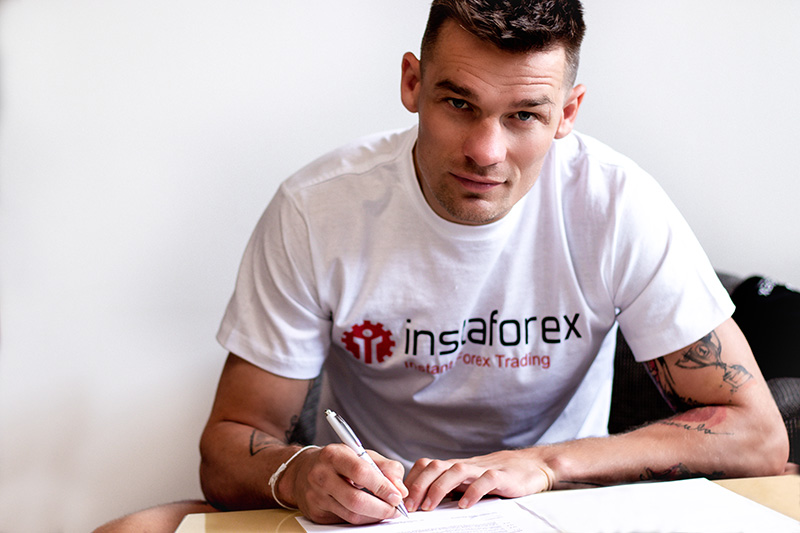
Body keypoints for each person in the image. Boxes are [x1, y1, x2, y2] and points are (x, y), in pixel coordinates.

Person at [94, 0, 789, 530]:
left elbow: (757, 435)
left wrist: (542, 467)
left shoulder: (616, 204)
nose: (486, 151)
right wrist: (302, 473)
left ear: (568, 112)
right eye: (460, 103)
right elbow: (225, 447)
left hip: (560, 504)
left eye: (524, 116)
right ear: (412, 82)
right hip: (380, 514)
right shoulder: (319, 209)